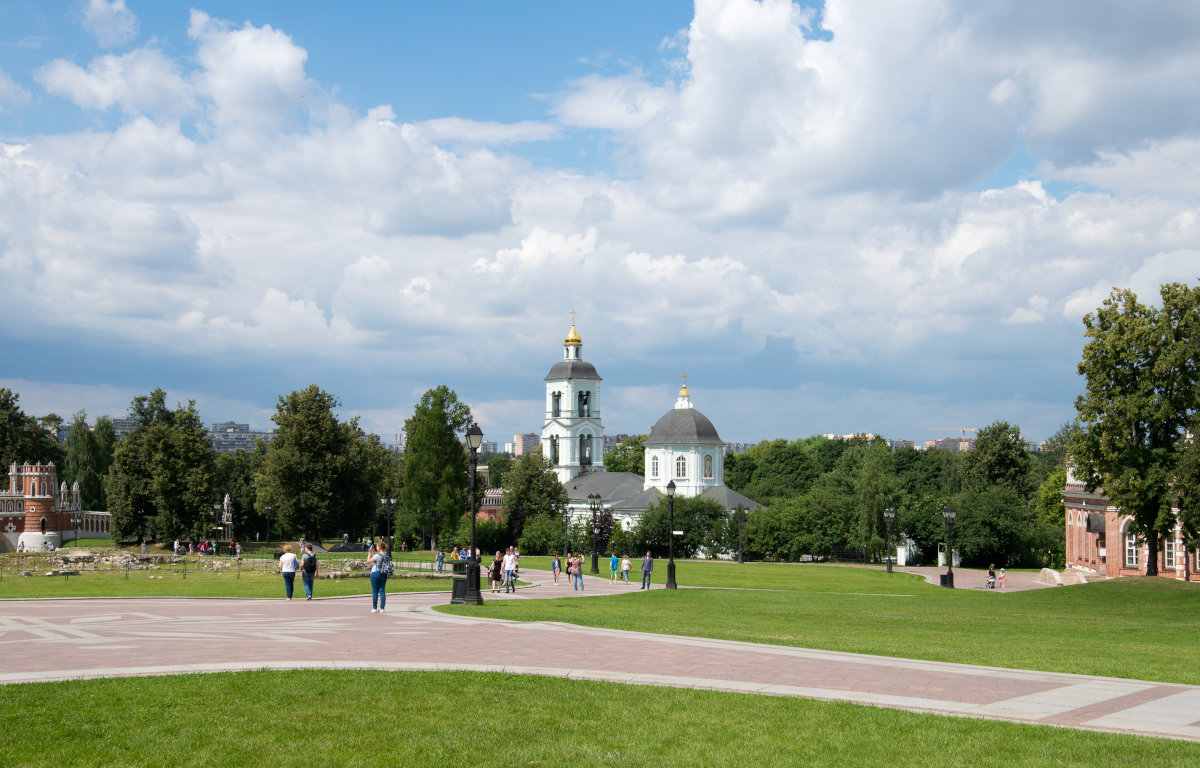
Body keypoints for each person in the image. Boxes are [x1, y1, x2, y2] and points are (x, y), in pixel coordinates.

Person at [368, 542, 389, 613]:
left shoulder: (377, 556)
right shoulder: (386, 556)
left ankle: (374, 608)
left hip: (375, 574)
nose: (376, 547)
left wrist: (369, 552)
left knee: (375, 591)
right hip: (384, 574)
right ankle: (382, 608)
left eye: (377, 546)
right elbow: (376, 560)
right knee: (382, 590)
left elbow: (368, 561)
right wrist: (373, 551)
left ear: (379, 547)